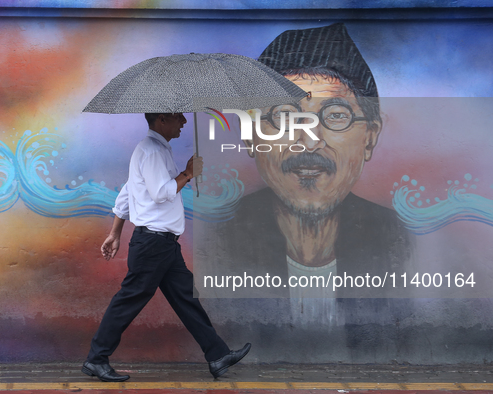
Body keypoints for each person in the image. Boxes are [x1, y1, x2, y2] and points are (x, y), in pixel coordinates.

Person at [197, 23, 413, 301]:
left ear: (369, 138)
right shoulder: (218, 240)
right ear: (250, 134)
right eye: (285, 116)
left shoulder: (399, 240)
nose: (310, 141)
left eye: (335, 115)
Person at [82, 112, 250, 382]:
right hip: (153, 244)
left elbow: (128, 192)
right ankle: (96, 359)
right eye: (177, 117)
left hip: (163, 245)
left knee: (186, 298)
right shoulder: (152, 151)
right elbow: (161, 193)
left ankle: (217, 355)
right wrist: (188, 173)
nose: (183, 122)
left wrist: (115, 233)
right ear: (161, 120)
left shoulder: (154, 150)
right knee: (129, 301)